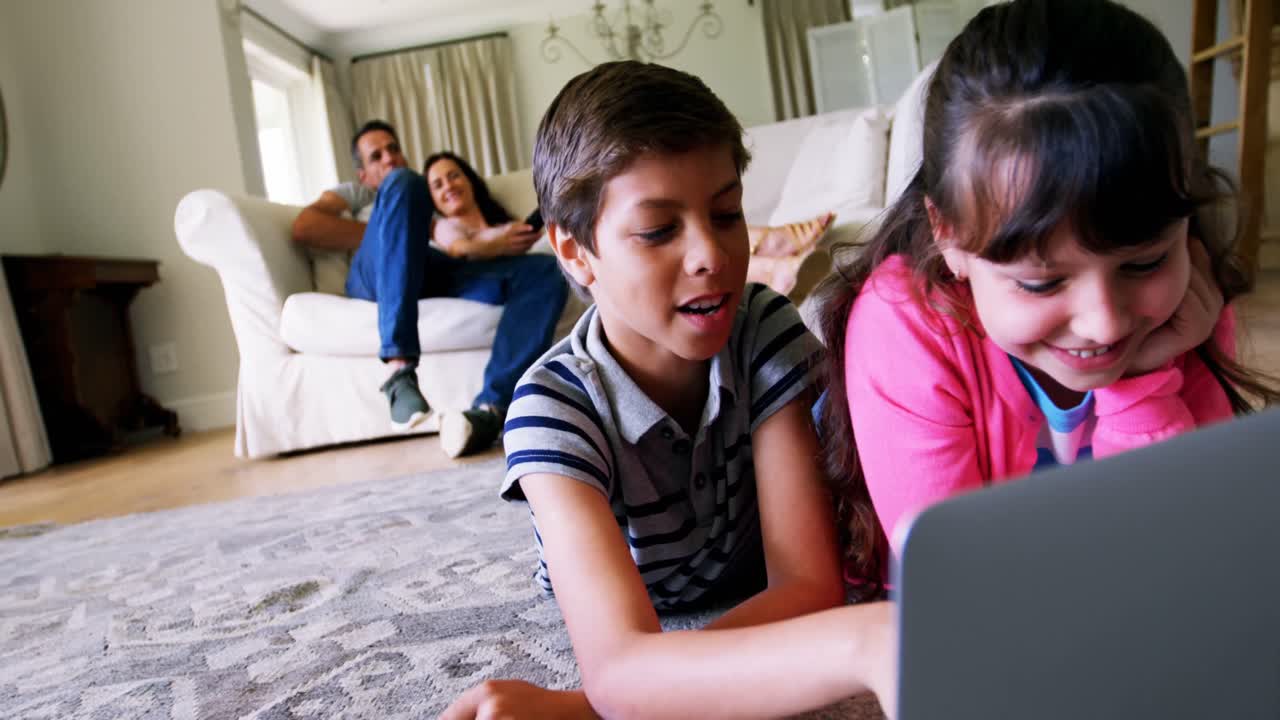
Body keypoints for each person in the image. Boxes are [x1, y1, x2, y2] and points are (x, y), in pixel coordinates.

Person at [443, 62, 895, 720]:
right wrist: (870, 643)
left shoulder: (762, 328)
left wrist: (592, 703)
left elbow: (806, 586)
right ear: (574, 253)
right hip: (647, 593)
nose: (711, 253)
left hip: (731, 582)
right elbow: (621, 663)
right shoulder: (551, 409)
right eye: (658, 231)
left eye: (727, 212)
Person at [815, 0, 1280, 590]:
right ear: (948, 234)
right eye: (1042, 282)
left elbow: (1193, 556)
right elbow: (963, 593)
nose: (1105, 325)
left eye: (1144, 263)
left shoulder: (1189, 292)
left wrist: (1141, 387)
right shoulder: (903, 325)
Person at [291, 123, 568, 458]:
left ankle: (490, 411)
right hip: (373, 274)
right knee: (403, 183)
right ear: (363, 175)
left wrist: (494, 243)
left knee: (543, 271)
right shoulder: (359, 194)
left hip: (427, 266)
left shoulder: (427, 203)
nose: (389, 158)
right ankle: (399, 371)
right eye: (376, 156)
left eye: (394, 149)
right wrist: (393, 231)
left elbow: (457, 247)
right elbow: (305, 228)